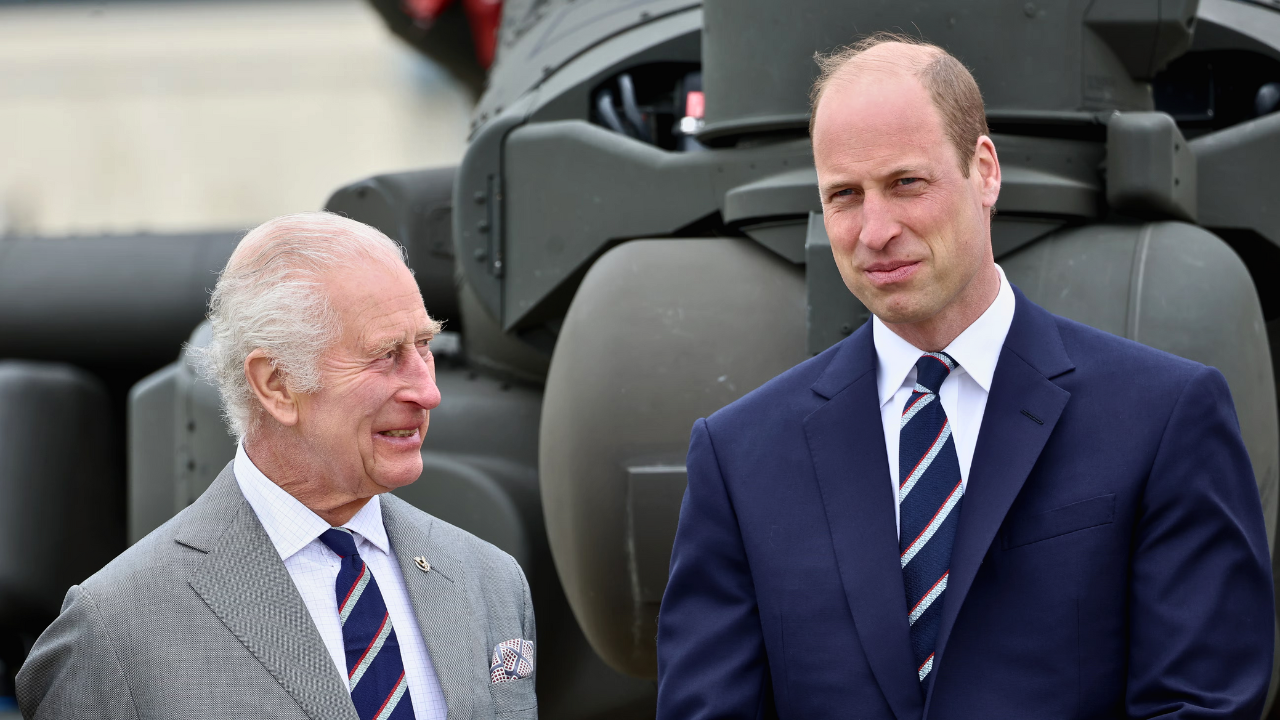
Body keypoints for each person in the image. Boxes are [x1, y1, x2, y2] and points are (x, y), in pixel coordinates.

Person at [655, 34, 1274, 719]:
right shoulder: (739, 459)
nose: (875, 231)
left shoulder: (1162, 418)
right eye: (844, 195)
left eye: (906, 183)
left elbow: (1201, 704)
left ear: (984, 171)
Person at [17, 213, 537, 719]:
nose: (428, 391)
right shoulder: (115, 630)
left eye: (423, 346)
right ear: (276, 384)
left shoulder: (489, 580)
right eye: (385, 355)